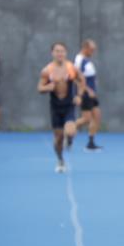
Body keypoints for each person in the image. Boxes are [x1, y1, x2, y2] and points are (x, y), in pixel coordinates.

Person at [38, 42, 85, 172]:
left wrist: (79, 96)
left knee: (70, 131)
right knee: (58, 139)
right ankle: (60, 160)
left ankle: (69, 139)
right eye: (57, 51)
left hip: (69, 105)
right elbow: (40, 88)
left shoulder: (71, 68)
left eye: (62, 51)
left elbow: (82, 81)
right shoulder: (47, 70)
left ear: (66, 53)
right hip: (55, 107)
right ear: (52, 53)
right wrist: (47, 87)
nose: (60, 54)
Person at [73, 39, 102, 151]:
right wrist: (87, 90)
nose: (93, 52)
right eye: (91, 49)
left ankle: (90, 143)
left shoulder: (87, 60)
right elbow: (75, 78)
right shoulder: (79, 59)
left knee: (97, 116)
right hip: (85, 94)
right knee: (86, 119)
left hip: (92, 94)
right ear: (85, 48)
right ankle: (68, 130)